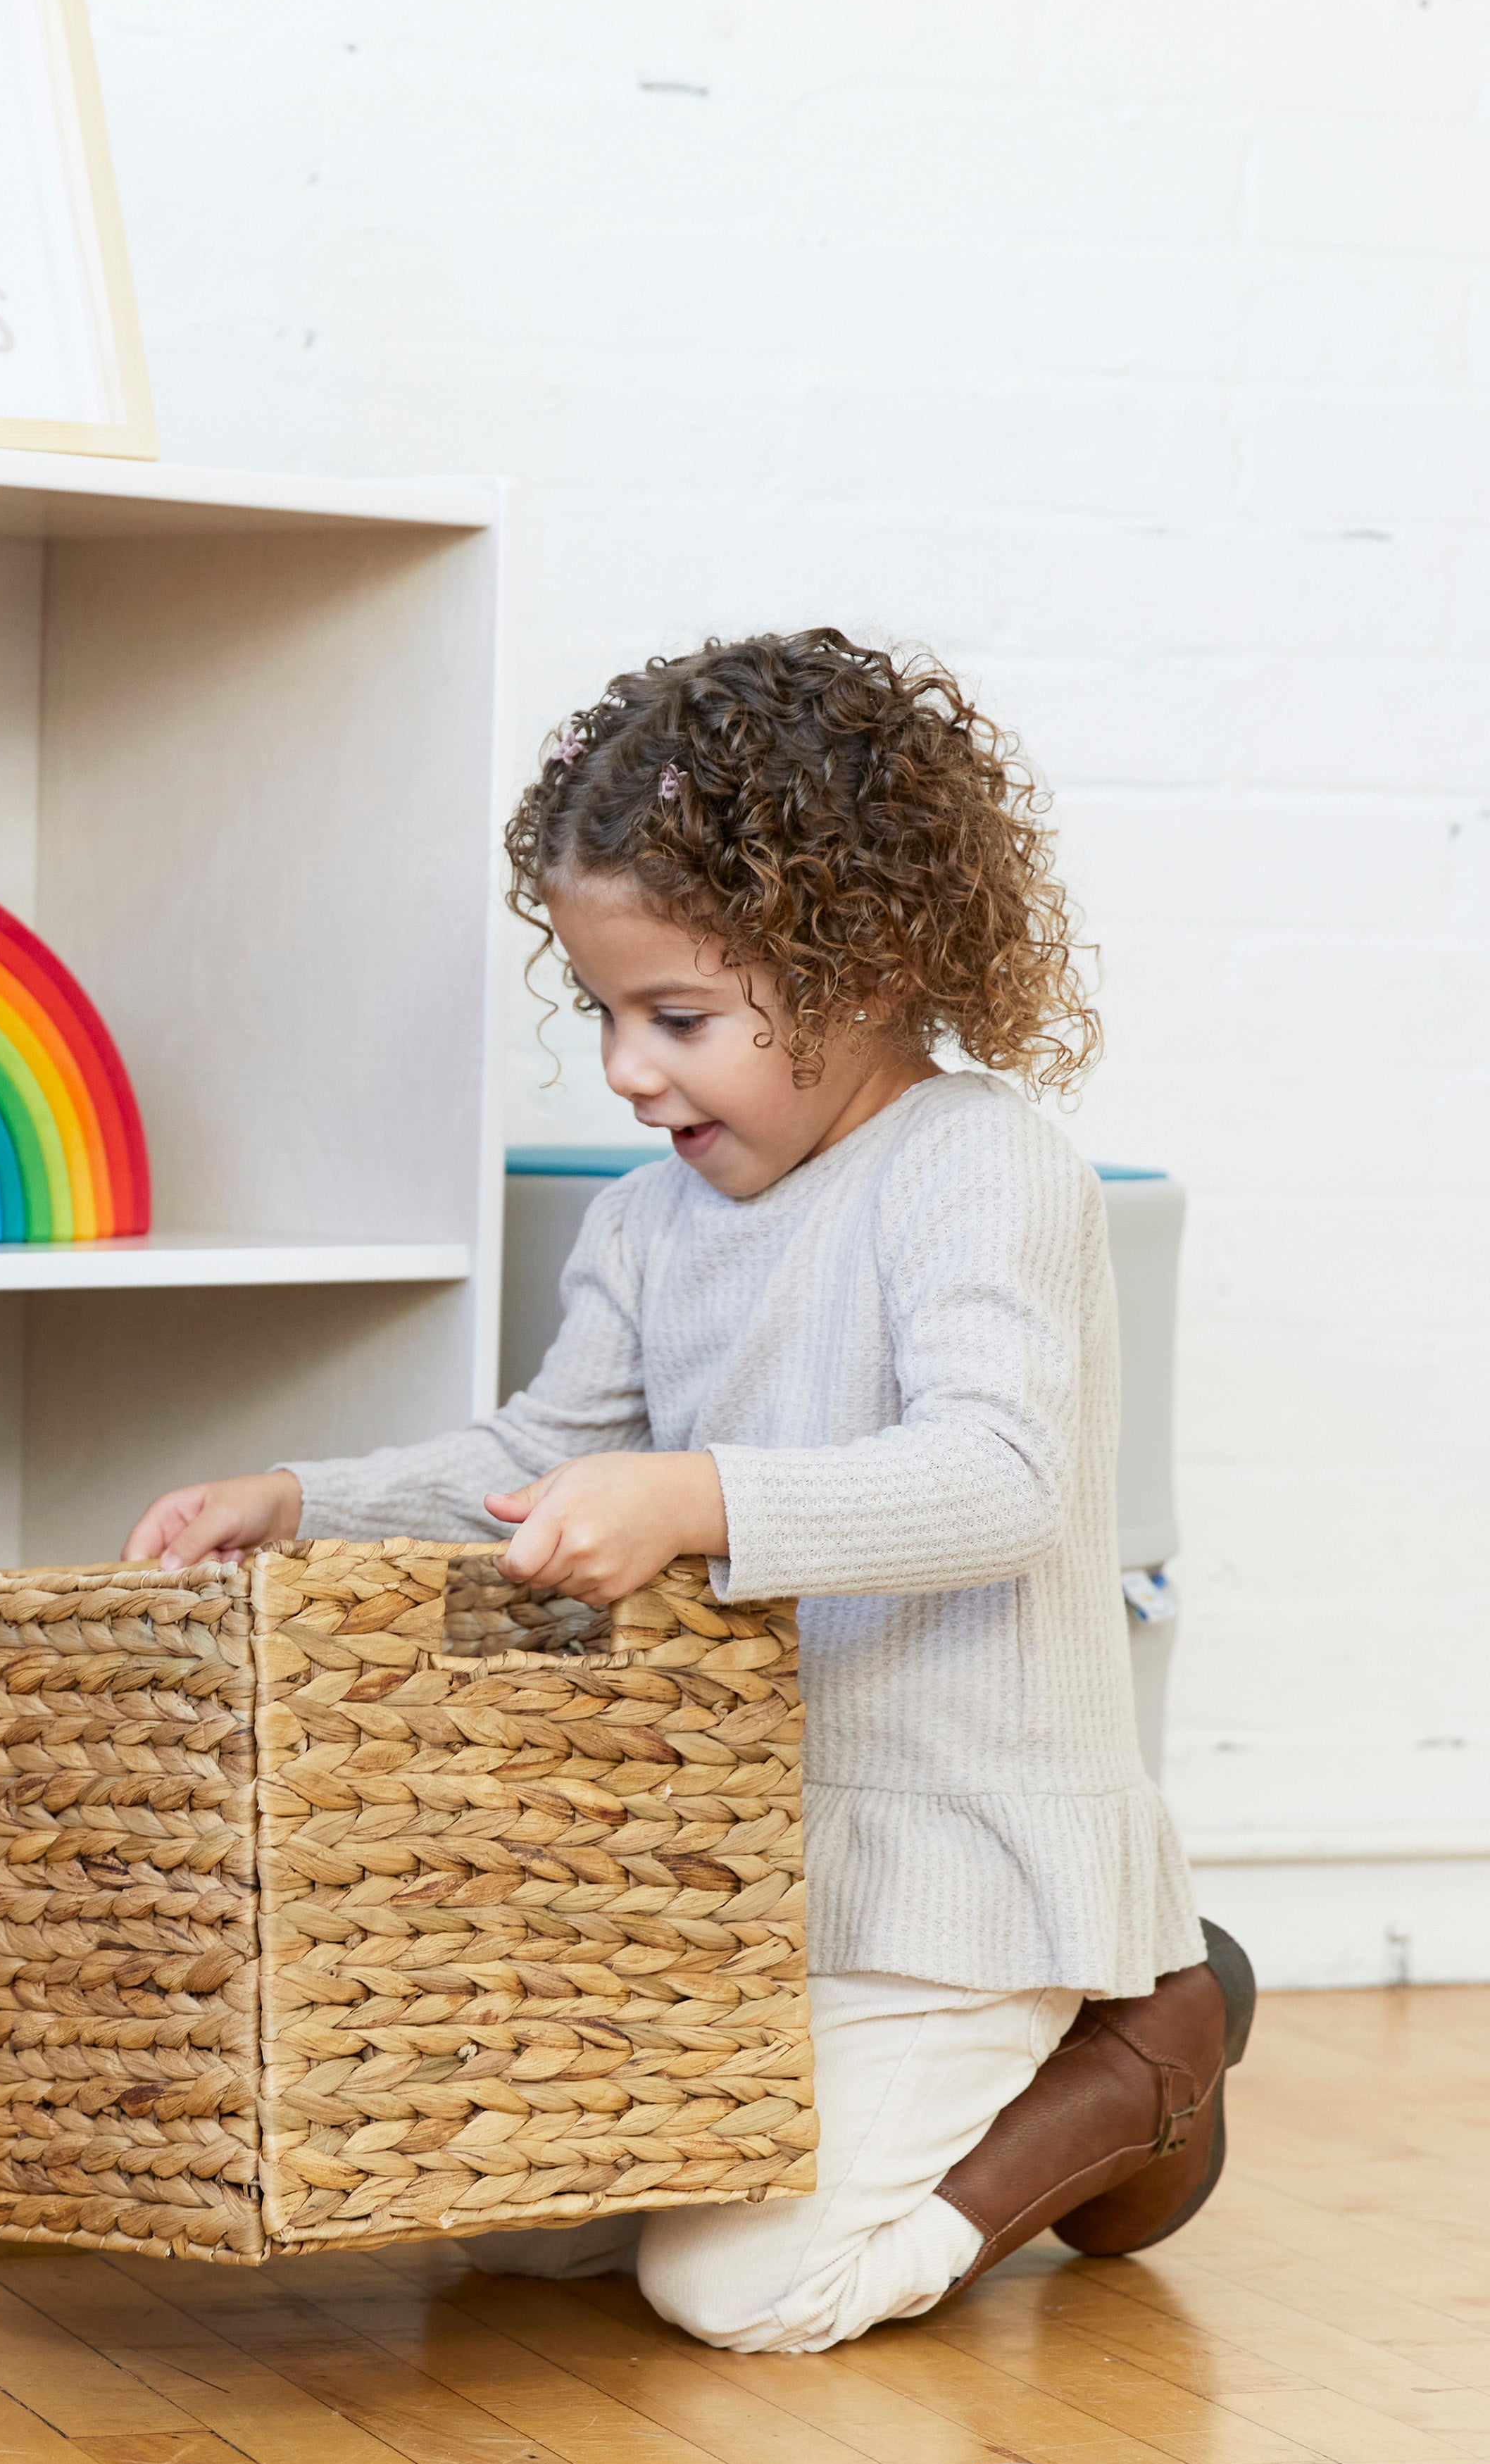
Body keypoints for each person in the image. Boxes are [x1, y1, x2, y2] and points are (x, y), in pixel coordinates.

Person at [123, 629, 1252, 2356]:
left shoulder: (977, 1167)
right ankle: (1014, 2076)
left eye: (678, 1018)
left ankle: (1137, 2060)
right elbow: (539, 1458)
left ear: (864, 965)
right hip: (729, 1864)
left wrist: (697, 1496)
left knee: (737, 2282)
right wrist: (301, 1497)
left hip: (963, 1853)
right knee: (517, 2225)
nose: (627, 1072)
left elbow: (1003, 1475)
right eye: (600, 1013)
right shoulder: (651, 1221)